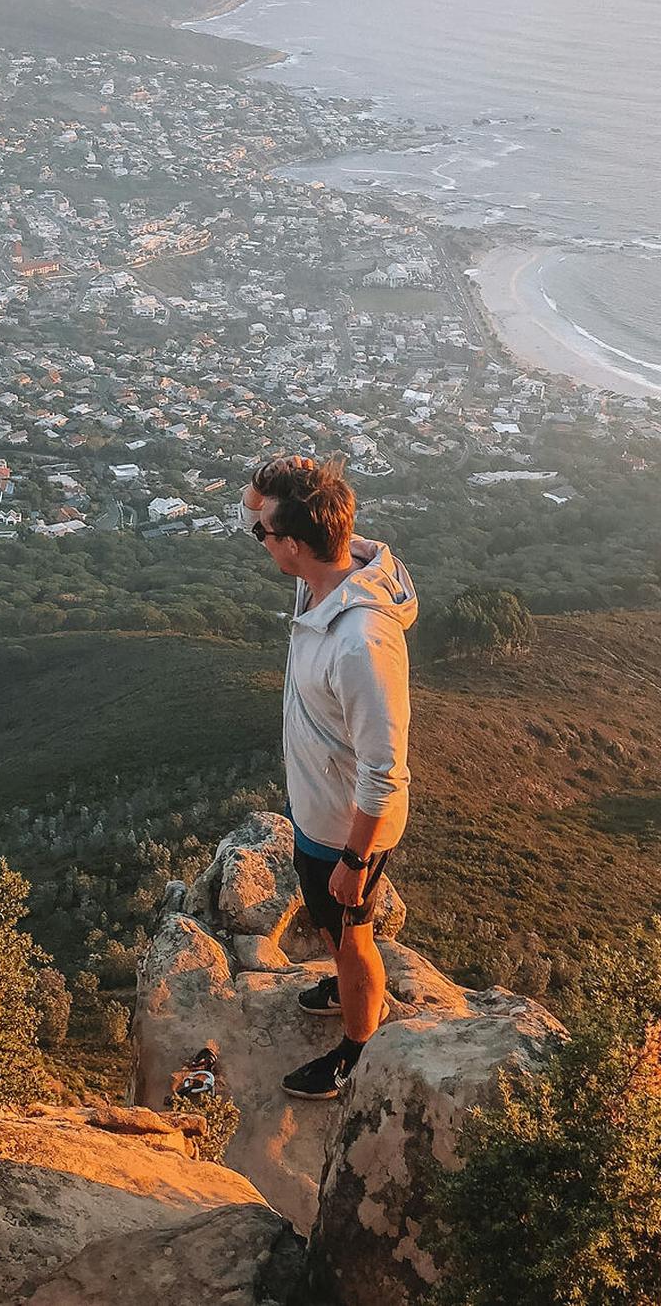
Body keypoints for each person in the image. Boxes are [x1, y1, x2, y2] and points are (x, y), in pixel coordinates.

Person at [242, 455, 418, 1099]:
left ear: (294, 544)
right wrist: (265, 484)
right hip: (321, 808)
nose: (257, 538)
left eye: (264, 534)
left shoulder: (361, 641)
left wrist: (355, 858)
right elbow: (258, 512)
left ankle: (357, 1050)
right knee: (329, 922)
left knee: (350, 936)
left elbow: (384, 768)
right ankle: (346, 984)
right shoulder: (324, 575)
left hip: (348, 827)